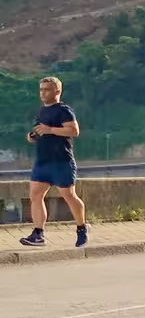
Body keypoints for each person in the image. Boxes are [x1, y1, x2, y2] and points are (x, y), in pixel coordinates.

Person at [20, 76, 87, 248]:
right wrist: (32, 136)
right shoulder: (42, 111)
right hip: (43, 160)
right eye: (41, 89)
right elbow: (39, 130)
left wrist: (50, 129)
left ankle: (81, 228)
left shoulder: (64, 110)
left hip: (61, 161)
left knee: (69, 196)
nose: (43, 93)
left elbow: (74, 131)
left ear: (57, 91)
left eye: (47, 89)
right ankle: (38, 234)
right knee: (35, 195)